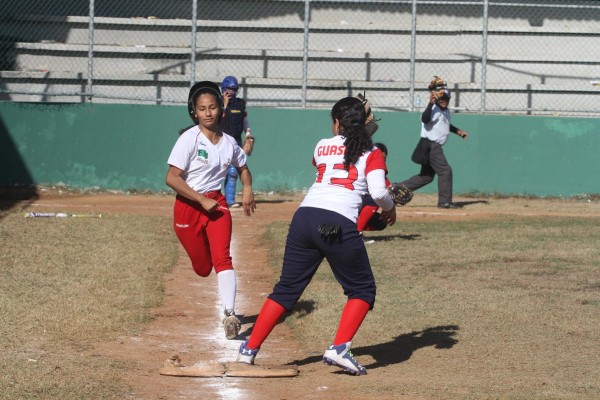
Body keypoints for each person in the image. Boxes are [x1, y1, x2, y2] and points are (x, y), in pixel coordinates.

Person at [235, 96, 397, 375]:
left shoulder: (322, 145)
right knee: (362, 290)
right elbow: (380, 192)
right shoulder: (372, 152)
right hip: (338, 222)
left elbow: (330, 158)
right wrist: (390, 209)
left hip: (305, 216)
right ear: (366, 123)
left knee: (286, 290)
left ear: (336, 123)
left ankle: (249, 348)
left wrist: (357, 129)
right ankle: (339, 348)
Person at [165, 80, 256, 340]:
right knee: (203, 267)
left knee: (223, 258)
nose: (208, 113)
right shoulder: (188, 139)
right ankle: (203, 266)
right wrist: (199, 200)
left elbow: (243, 167)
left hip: (216, 205)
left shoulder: (229, 142)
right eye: (202, 108)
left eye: (212, 107)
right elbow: (172, 178)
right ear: (194, 112)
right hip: (188, 207)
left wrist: (247, 188)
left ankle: (230, 314)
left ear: (221, 110)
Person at [391, 77, 468, 209]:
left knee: (426, 177)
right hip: (431, 146)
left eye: (446, 99)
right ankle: (444, 202)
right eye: (442, 98)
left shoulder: (445, 111)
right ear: (437, 99)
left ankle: (396, 188)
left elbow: (445, 125)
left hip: (431, 146)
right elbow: (425, 119)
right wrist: (430, 104)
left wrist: (457, 131)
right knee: (445, 171)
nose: (444, 101)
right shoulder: (433, 109)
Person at [219, 75, 254, 208]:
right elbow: (217, 118)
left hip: (236, 141)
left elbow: (244, 120)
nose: (231, 92)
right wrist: (224, 104)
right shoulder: (217, 103)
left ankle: (229, 200)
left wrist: (248, 133)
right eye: (229, 89)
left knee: (233, 172)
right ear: (223, 89)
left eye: (234, 89)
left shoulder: (240, 104)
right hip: (220, 141)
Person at [357, 142, 391, 244]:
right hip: (348, 200)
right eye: (381, 157)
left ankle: (349, 230)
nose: (382, 160)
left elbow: (388, 186)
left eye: (384, 158)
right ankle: (356, 234)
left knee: (379, 222)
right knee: (375, 199)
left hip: (358, 202)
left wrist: (393, 192)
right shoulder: (362, 164)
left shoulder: (378, 169)